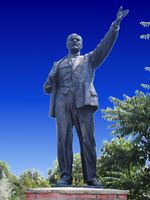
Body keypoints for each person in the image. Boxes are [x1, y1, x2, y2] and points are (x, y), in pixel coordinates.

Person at [44, 6, 129, 187]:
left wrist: (114, 27)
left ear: (81, 44)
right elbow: (48, 86)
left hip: (84, 102)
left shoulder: (89, 59)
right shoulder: (57, 63)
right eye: (71, 39)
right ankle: (65, 176)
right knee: (63, 140)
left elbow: (104, 47)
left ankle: (91, 177)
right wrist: (49, 84)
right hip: (62, 103)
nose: (75, 41)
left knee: (87, 139)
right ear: (67, 44)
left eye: (78, 39)